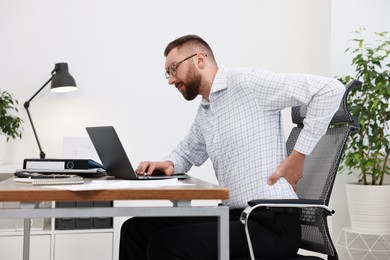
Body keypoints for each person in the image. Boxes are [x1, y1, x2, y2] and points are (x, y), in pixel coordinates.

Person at [119, 35, 345, 259]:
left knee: (167, 245)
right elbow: (187, 151)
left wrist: (298, 156)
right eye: (167, 73)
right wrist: (168, 164)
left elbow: (330, 89)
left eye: (174, 69)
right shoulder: (207, 109)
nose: (170, 80)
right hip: (237, 216)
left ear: (199, 59)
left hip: (270, 224)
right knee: (136, 230)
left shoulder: (247, 82)